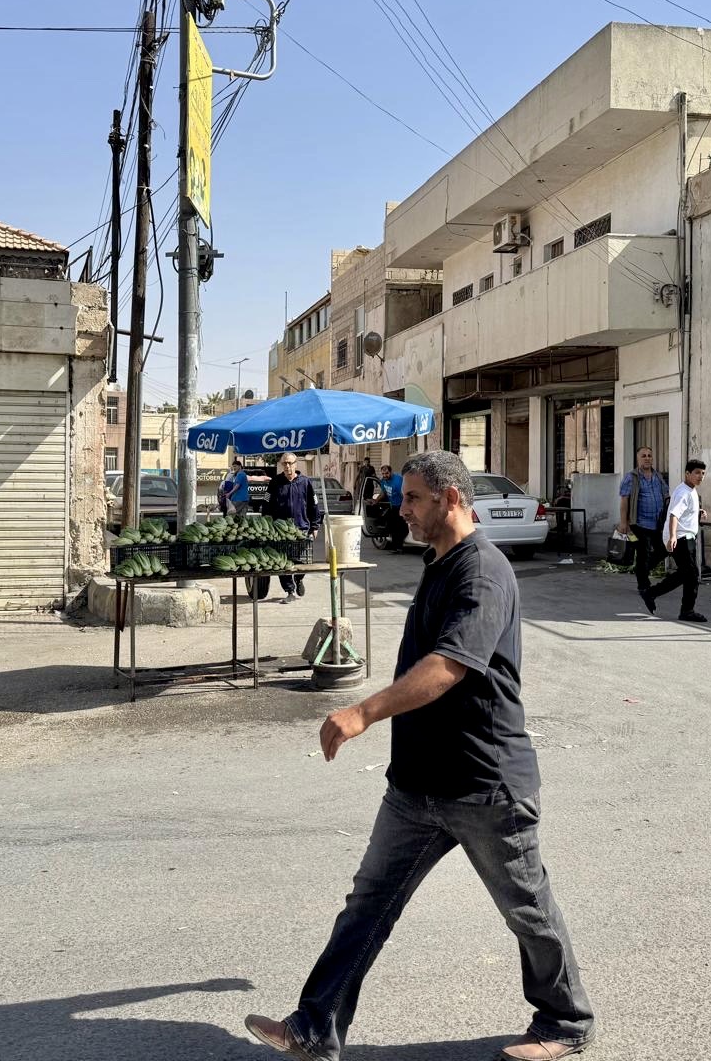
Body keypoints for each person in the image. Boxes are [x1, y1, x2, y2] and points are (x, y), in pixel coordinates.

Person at [245, 450, 594, 1061]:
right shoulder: (440, 561)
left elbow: (450, 666)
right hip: (417, 784)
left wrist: (361, 712)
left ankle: (565, 1023)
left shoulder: (482, 572)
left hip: (484, 783)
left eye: (412, 499)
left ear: (450, 499)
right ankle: (314, 1028)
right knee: (369, 903)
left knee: (527, 910)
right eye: (401, 497)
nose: (399, 508)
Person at [642, 459, 708, 623]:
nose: (700, 476)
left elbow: (686, 510)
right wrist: (672, 537)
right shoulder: (683, 492)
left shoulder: (691, 490)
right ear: (687, 474)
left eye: (703, 473)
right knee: (692, 575)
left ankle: (651, 593)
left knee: (686, 574)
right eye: (697, 473)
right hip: (679, 538)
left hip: (687, 537)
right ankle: (687, 610)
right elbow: (674, 515)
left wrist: (699, 512)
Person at [266, 453, 322, 602]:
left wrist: (315, 526)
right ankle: (289, 591)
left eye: (290, 463)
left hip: (301, 528)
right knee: (282, 561)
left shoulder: (305, 482)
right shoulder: (275, 482)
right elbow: (267, 503)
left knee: (302, 560)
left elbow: (314, 504)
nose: (287, 466)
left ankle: (298, 579)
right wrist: (266, 523)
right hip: (280, 530)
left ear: (296, 464)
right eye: (284, 463)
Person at [617, 446, 669, 599]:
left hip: (657, 523)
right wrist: (623, 523)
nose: (647, 458)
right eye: (644, 456)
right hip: (639, 523)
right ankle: (643, 585)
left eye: (649, 456)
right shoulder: (631, 477)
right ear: (638, 459)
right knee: (643, 554)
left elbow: (666, 495)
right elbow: (624, 500)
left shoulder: (658, 476)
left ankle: (642, 570)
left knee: (664, 549)